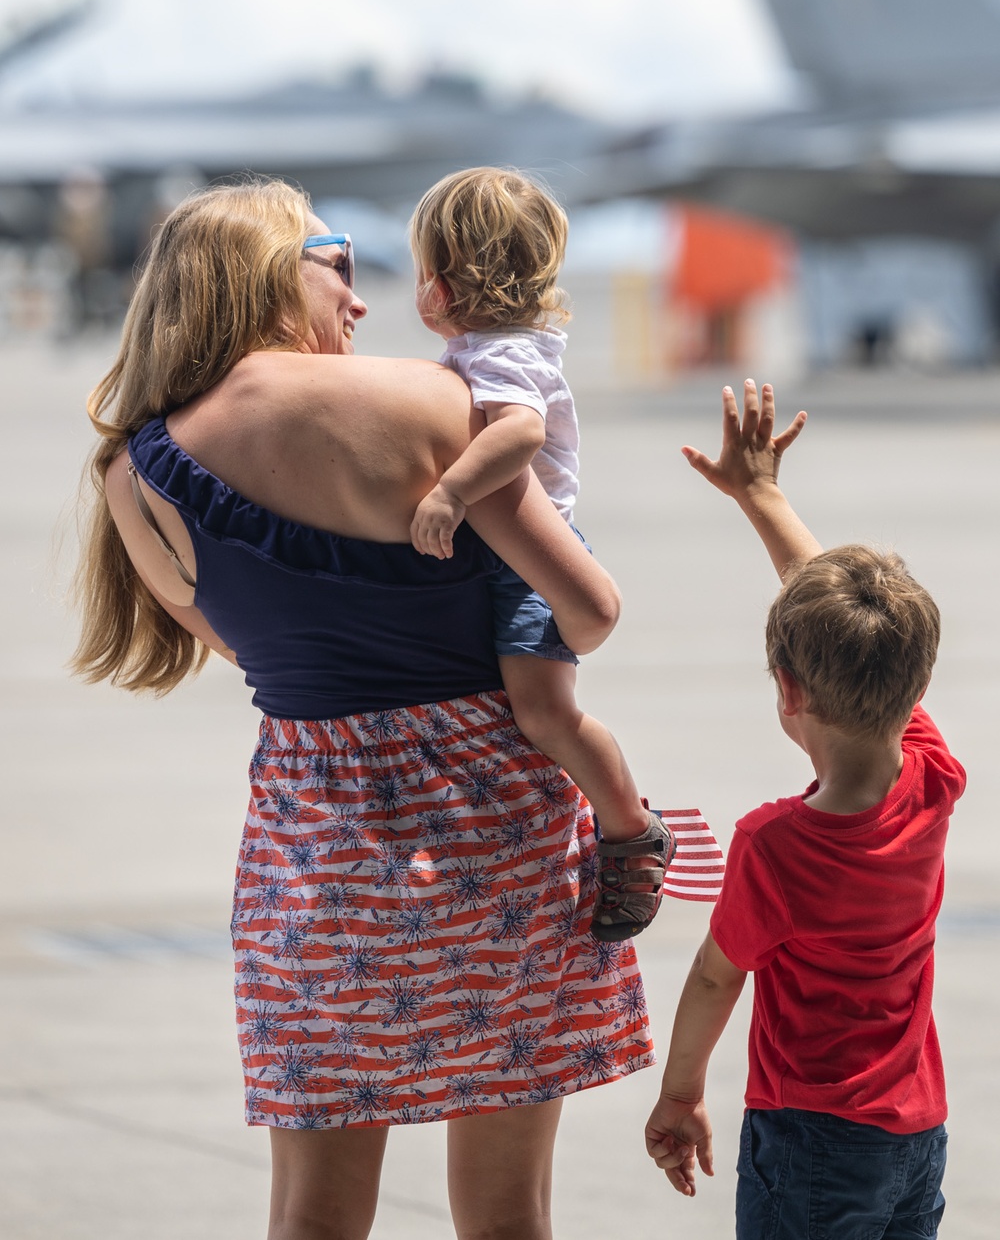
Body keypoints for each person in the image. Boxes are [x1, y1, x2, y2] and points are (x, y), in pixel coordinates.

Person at [72, 177, 655, 1240]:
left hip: (316, 846)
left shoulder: (133, 473)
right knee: (507, 1215)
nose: (361, 293)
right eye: (336, 259)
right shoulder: (436, 403)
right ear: (263, 270)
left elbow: (242, 643)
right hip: (497, 834)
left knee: (314, 1216)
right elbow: (588, 606)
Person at [644, 380, 965, 1239]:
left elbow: (718, 973)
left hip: (812, 1140)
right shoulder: (931, 776)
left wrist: (679, 1094)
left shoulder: (775, 845)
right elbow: (852, 637)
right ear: (917, 688)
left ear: (787, 690)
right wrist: (765, 493)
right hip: (916, 1132)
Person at [407, 167, 673, 941]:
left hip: (527, 561)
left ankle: (632, 829)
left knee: (546, 713)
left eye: (428, 269)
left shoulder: (504, 355)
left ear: (450, 281)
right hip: (500, 555)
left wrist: (451, 492)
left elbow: (518, 432)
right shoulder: (488, 347)